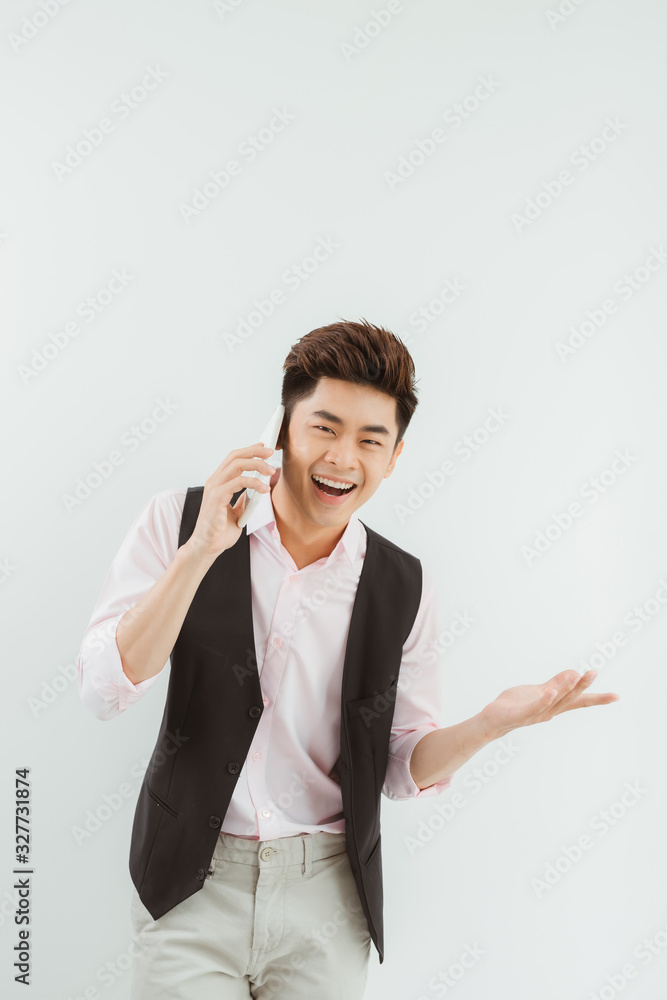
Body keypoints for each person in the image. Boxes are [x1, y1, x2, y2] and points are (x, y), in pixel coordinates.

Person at [76, 318, 620, 999]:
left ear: (394, 457)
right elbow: (104, 690)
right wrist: (199, 554)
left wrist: (489, 724)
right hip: (189, 885)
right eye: (324, 428)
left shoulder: (403, 585)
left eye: (370, 440)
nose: (342, 458)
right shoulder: (179, 522)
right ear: (282, 429)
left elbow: (399, 765)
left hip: (327, 901)